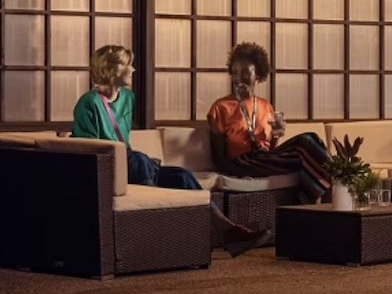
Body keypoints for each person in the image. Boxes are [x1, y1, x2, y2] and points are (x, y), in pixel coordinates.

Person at [72, 44, 270, 257]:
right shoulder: (88, 103)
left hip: (130, 165)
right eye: (129, 65)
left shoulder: (128, 98)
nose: (133, 70)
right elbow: (88, 149)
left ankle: (229, 230)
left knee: (182, 176)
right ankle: (149, 233)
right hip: (107, 169)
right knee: (139, 160)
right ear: (113, 69)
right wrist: (127, 159)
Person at [206, 43, 331, 204]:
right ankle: (320, 201)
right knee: (306, 144)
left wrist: (277, 135)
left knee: (312, 141)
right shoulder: (220, 107)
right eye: (235, 72)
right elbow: (218, 158)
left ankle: (317, 201)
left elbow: (270, 150)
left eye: (245, 72)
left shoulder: (265, 106)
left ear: (258, 75)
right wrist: (238, 172)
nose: (239, 77)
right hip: (241, 162)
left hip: (263, 157)